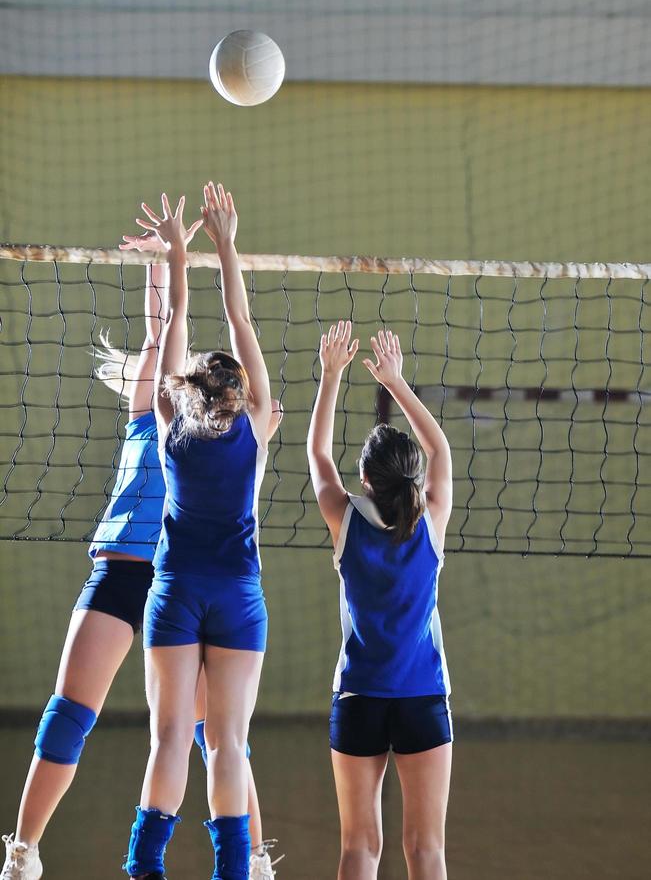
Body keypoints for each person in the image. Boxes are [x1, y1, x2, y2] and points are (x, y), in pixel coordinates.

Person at [1, 227, 279, 880]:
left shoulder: (212, 433)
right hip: (126, 571)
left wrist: (173, 264)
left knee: (217, 742)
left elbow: (176, 338)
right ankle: (22, 850)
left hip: (180, 581)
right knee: (70, 714)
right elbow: (162, 335)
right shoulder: (148, 418)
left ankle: (255, 860)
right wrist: (162, 263)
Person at [123, 184, 273, 880]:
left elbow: (179, 317)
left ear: (185, 390)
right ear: (241, 397)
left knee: (167, 742)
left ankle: (144, 869)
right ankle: (231, 874)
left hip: (174, 592)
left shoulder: (166, 427)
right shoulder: (257, 429)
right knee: (229, 745)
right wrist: (224, 243)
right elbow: (238, 319)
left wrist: (179, 253)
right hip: (237, 596)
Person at [307, 322, 454, 880]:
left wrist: (331, 376)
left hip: (359, 696)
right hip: (422, 696)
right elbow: (437, 447)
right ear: (413, 481)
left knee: (359, 850)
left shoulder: (344, 521)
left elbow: (318, 451)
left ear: (364, 480)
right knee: (427, 852)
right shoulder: (431, 523)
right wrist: (395, 382)